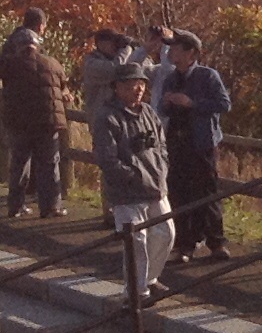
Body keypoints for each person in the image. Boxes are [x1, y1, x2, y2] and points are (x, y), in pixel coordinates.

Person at [91, 63, 173, 301]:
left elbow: (161, 144)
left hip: (156, 184)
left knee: (166, 234)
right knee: (136, 242)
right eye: (129, 85)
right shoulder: (107, 117)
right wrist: (133, 177)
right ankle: (136, 292)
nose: (136, 89)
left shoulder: (148, 111)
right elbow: (107, 159)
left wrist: (161, 168)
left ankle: (151, 279)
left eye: (140, 84)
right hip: (127, 191)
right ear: (116, 88)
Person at [0, 12, 70, 219]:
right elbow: (63, 86)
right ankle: (51, 206)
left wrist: (4, 57)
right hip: (48, 122)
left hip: (19, 122)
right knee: (49, 164)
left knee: (20, 164)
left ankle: (16, 205)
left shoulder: (10, 64)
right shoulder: (52, 63)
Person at [158, 30, 233, 262]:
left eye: (176, 48)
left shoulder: (207, 76)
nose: (171, 52)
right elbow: (161, 110)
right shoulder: (171, 78)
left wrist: (192, 103)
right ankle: (185, 245)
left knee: (207, 192)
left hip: (202, 144)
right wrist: (167, 102)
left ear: (191, 53)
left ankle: (216, 242)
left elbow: (224, 104)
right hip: (177, 142)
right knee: (179, 192)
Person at [81, 28, 128, 104]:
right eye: (113, 43)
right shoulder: (91, 63)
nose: (116, 46)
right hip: (99, 113)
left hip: (117, 112)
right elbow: (115, 69)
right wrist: (126, 50)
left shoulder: (120, 59)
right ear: (101, 45)